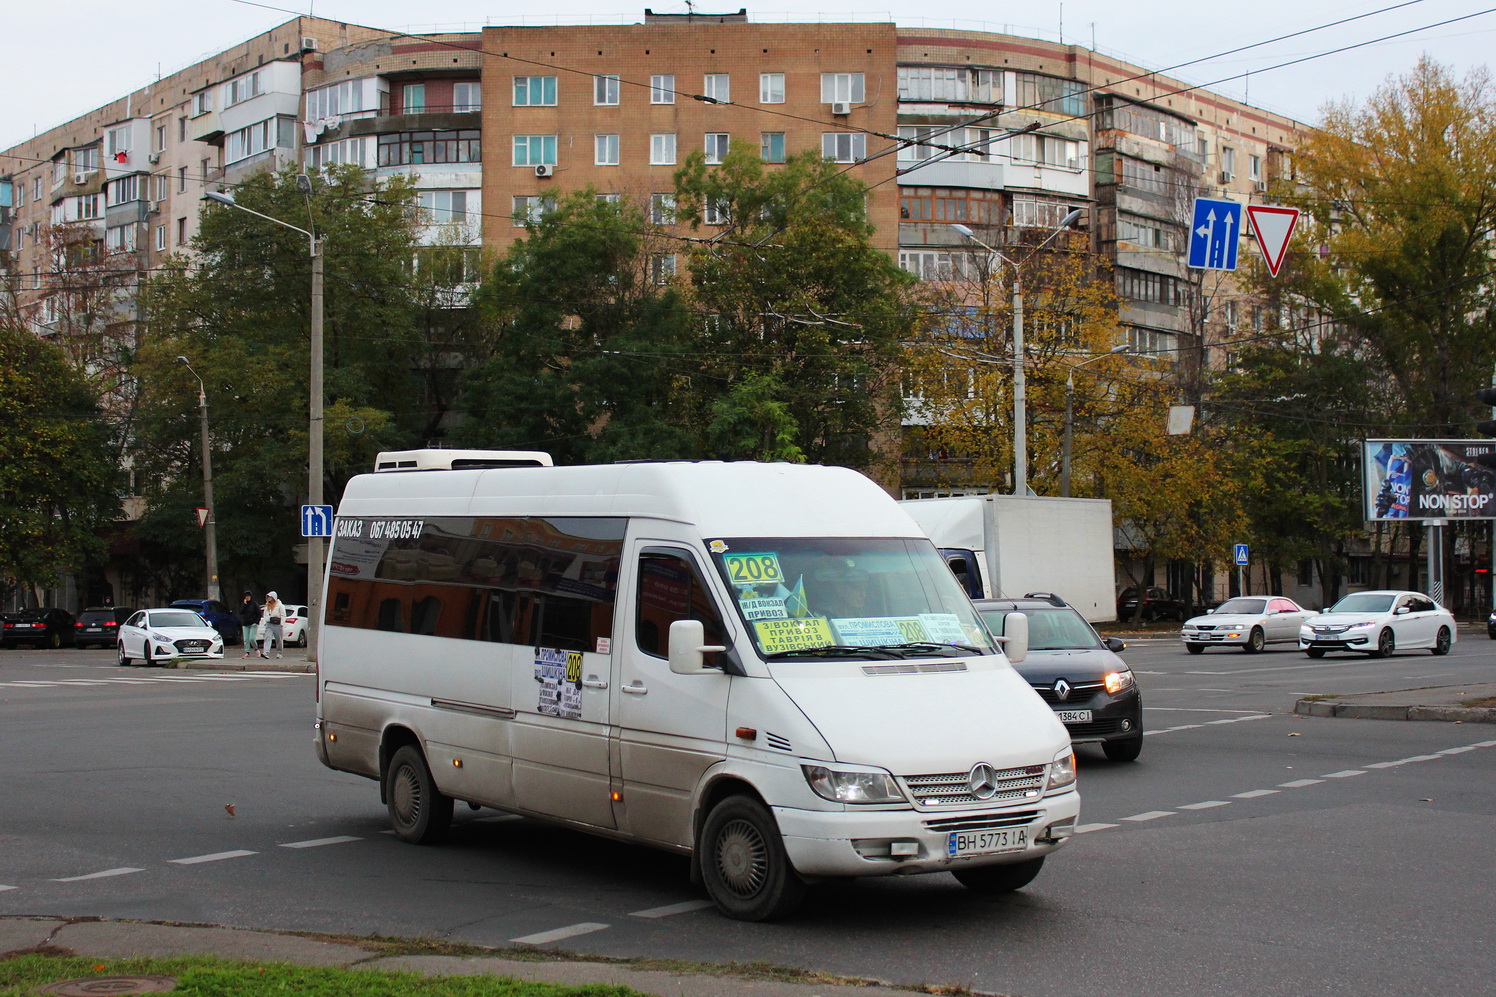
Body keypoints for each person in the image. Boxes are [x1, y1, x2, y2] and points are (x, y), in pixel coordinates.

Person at [237, 591, 263, 659]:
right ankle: (247, 652)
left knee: (252, 638)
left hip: (253, 624)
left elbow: (259, 614)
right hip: (245, 624)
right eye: (246, 596)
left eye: (248, 596)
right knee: (246, 639)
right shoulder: (244, 604)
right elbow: (241, 612)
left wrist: (256, 622)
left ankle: (256, 649)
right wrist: (244, 604)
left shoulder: (254, 604)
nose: (247, 598)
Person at [262, 590, 286, 659]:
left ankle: (279, 652)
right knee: (267, 637)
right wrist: (266, 622)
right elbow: (265, 615)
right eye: (268, 597)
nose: (269, 598)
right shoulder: (267, 606)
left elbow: (283, 615)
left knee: (278, 639)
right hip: (269, 623)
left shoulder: (280, 605)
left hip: (277, 624)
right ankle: (266, 652)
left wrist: (282, 624)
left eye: (270, 597)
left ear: (274, 597)